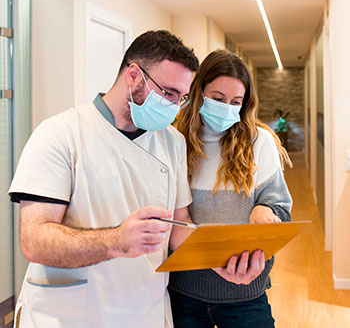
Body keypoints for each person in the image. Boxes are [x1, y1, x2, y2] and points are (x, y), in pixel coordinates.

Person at [8, 30, 200, 328]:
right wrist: (116, 241)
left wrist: (224, 260)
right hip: (69, 315)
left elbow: (178, 224)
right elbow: (34, 241)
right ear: (134, 75)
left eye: (182, 98)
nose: (175, 107)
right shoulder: (61, 133)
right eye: (169, 93)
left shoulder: (172, 142)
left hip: (145, 312)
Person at [168, 49, 293, 328]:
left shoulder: (259, 142)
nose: (227, 108)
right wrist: (212, 258)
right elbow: (172, 218)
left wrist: (265, 210)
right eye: (217, 99)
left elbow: (281, 210)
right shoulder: (174, 140)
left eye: (236, 101)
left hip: (245, 295)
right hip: (184, 293)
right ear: (198, 92)